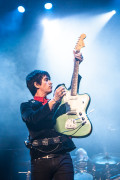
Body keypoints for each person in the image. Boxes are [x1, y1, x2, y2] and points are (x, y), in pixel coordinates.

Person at [20, 51, 83, 180]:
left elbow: (73, 92)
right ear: (36, 84)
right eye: (46, 80)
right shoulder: (26, 106)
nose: (51, 83)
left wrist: (76, 64)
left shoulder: (58, 103)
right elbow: (33, 120)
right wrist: (53, 100)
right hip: (39, 160)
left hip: (63, 157)